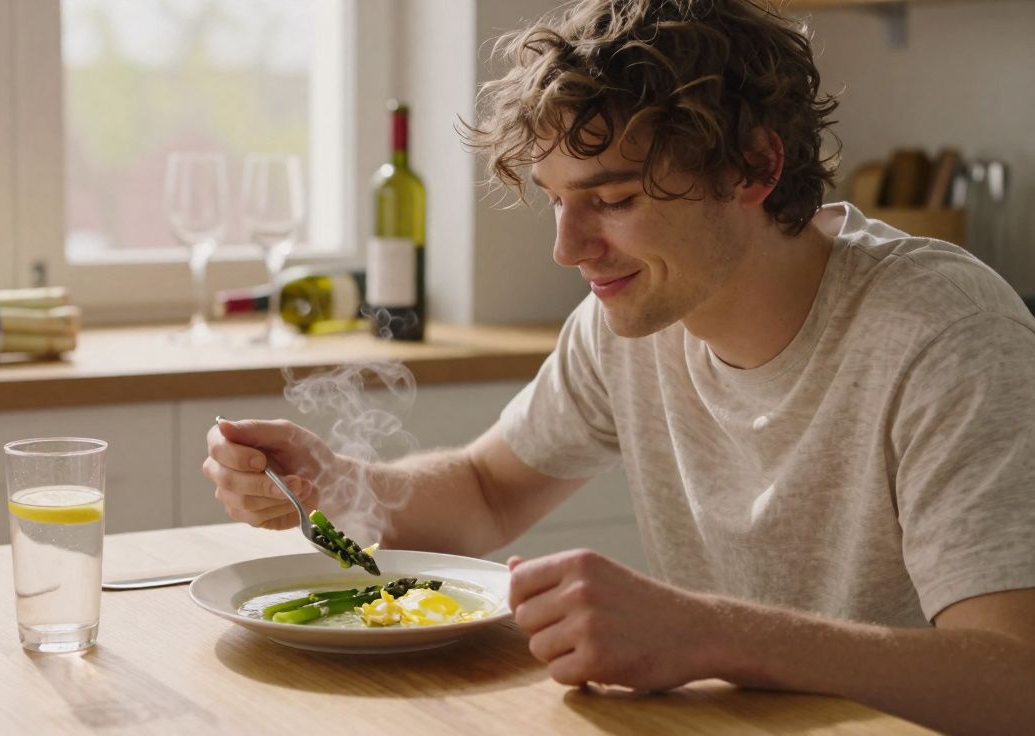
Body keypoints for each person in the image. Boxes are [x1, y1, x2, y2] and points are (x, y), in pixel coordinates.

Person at [203, 1, 1035, 732]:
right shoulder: (625, 324)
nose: (568, 248)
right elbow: (487, 494)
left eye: (615, 199)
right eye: (559, 201)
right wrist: (334, 483)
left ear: (755, 166)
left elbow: (1017, 683)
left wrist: (710, 633)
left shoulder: (943, 333)